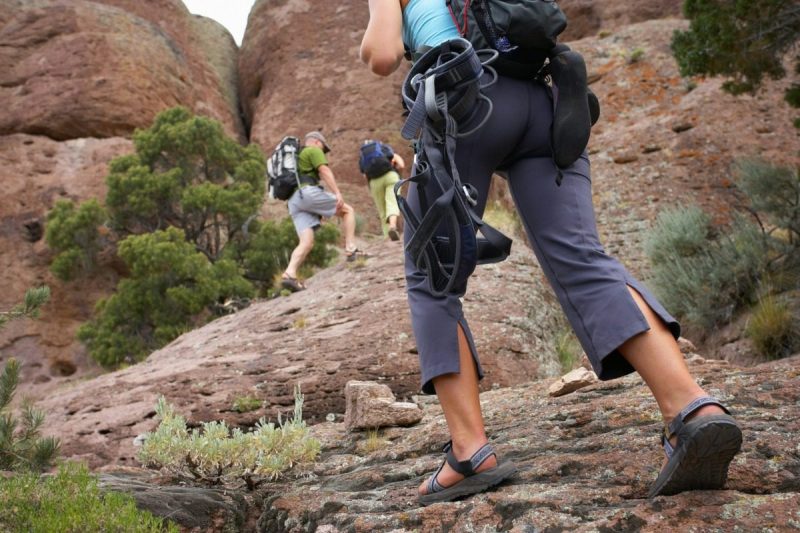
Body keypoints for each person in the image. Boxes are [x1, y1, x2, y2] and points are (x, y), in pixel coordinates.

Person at [360, 0, 742, 505]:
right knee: (583, 257)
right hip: (547, 103)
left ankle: (470, 451)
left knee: (432, 278)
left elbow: (382, 54)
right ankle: (691, 409)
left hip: (465, 106)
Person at [281, 131, 366, 292]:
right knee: (348, 211)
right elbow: (324, 171)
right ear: (316, 142)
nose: (323, 151)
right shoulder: (312, 150)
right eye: (323, 147)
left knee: (306, 242)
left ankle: (289, 273)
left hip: (294, 201)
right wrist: (337, 192)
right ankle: (351, 249)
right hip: (306, 193)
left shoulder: (297, 158)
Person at [359, 139, 405, 240]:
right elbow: (401, 165)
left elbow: (365, 175)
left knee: (382, 211)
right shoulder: (384, 149)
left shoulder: (363, 157)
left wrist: (371, 186)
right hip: (391, 176)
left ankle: (387, 237)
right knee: (392, 202)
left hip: (374, 182)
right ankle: (392, 226)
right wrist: (399, 177)